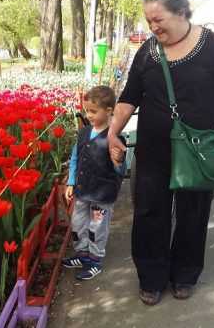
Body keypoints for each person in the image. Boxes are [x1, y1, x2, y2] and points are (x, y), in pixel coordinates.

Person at [107, 0, 214, 305]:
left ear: (182, 13)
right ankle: (152, 276)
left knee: (193, 213)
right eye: (149, 21)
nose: (153, 27)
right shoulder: (147, 51)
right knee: (149, 212)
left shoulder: (213, 47)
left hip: (200, 149)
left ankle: (185, 274)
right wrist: (112, 132)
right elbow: (130, 96)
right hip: (153, 149)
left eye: (158, 19)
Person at [62, 85, 127, 281]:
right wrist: (71, 182)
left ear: (108, 111)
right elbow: (75, 158)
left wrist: (120, 160)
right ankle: (82, 254)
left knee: (97, 227)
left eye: (93, 111)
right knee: (78, 223)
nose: (88, 114)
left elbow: (120, 170)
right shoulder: (83, 133)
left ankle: (94, 259)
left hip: (102, 193)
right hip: (82, 190)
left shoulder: (114, 137)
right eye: (86, 110)